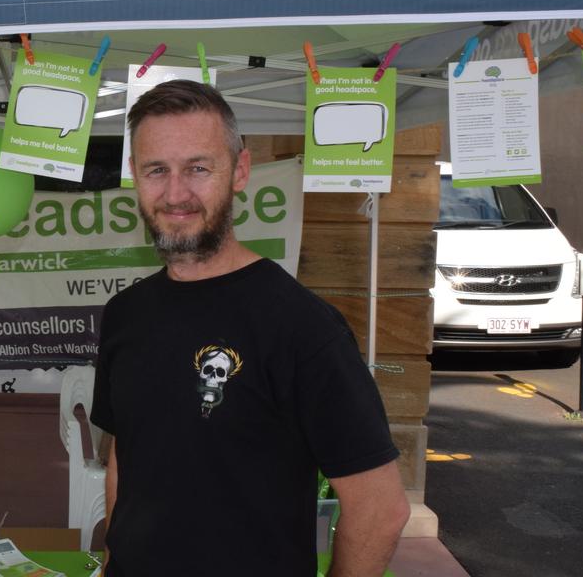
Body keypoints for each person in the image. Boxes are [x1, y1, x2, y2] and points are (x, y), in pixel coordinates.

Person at [91, 80, 410, 576]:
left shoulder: (302, 326)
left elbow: (380, 508)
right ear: (134, 174)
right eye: (157, 170)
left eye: (198, 168)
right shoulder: (125, 314)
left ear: (239, 170)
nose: (176, 193)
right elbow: (124, 460)